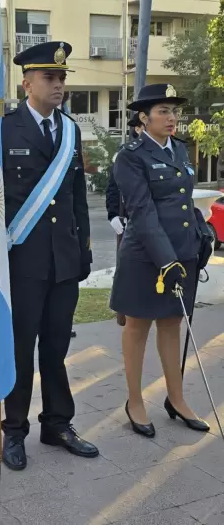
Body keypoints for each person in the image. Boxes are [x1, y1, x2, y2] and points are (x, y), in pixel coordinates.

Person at [1, 41, 98, 471]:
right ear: (27, 83)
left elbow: (77, 198)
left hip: (62, 260)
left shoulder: (71, 130)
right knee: (21, 350)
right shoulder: (3, 128)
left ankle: (57, 423)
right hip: (22, 261)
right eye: (50, 78)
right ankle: (14, 430)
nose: (58, 84)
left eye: (61, 78)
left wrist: (83, 252)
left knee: (56, 348)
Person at [111, 83, 213, 438]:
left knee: (172, 325)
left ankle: (177, 398)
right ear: (144, 117)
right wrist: (166, 260)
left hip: (182, 254)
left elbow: (184, 203)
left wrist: (202, 232)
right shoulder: (130, 157)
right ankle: (135, 401)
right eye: (163, 112)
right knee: (137, 327)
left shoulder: (181, 151)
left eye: (174, 111)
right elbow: (142, 211)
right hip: (145, 257)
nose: (172, 118)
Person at [106, 113, 145, 236]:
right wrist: (113, 214)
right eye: (145, 126)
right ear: (137, 129)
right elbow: (113, 187)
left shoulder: (171, 150)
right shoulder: (126, 153)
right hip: (133, 219)